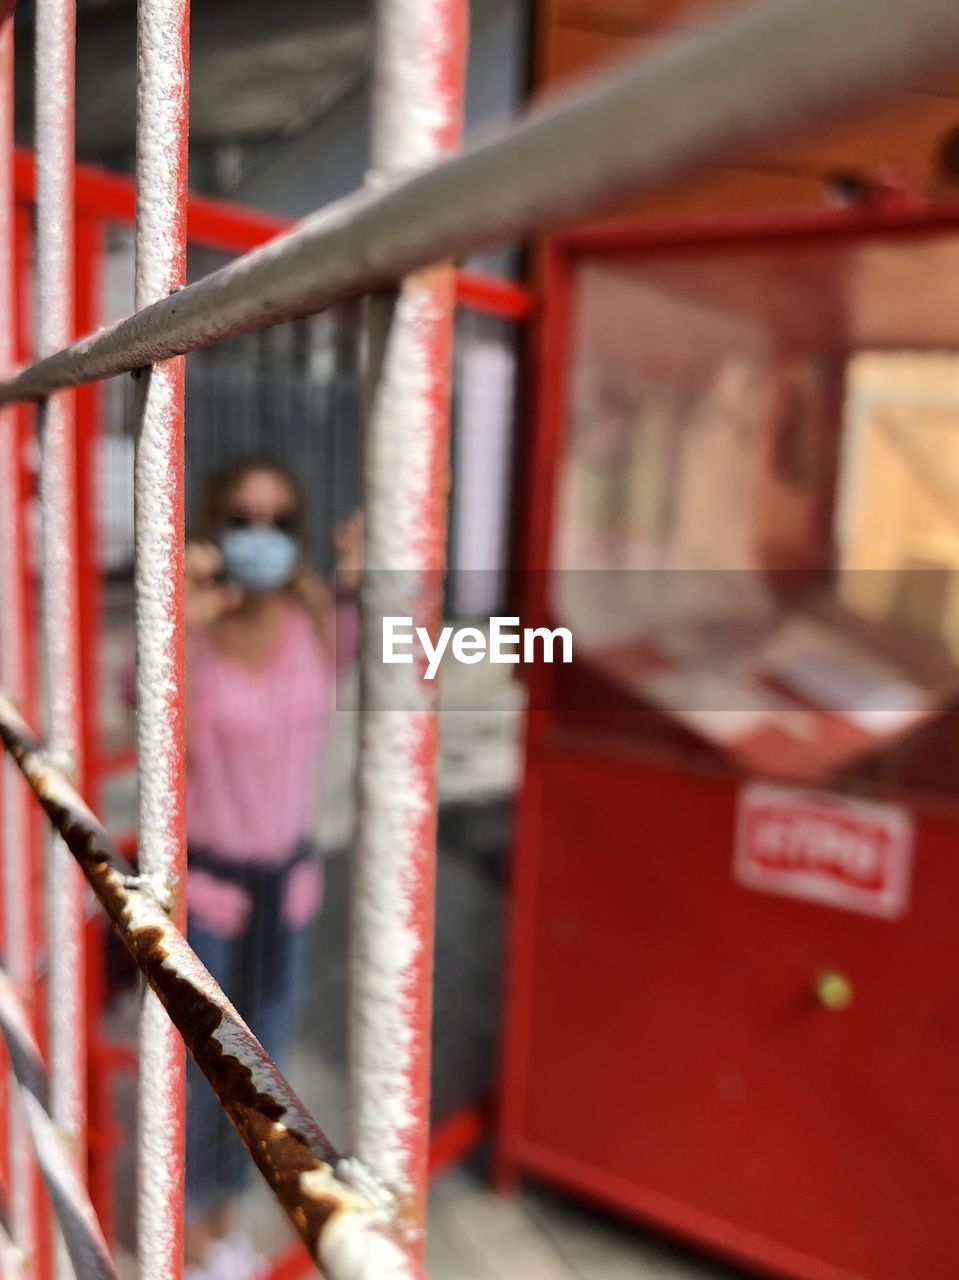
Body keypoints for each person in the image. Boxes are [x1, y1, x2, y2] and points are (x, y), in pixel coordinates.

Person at [180, 458, 360, 1278]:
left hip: (284, 888)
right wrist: (177, 620)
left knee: (263, 1070)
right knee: (200, 1077)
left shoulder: (320, 623)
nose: (261, 537)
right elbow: (138, 697)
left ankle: (223, 1220)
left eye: (279, 521)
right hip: (211, 891)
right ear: (216, 528)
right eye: (242, 518)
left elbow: (399, 638)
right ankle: (184, 1233)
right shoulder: (194, 632)